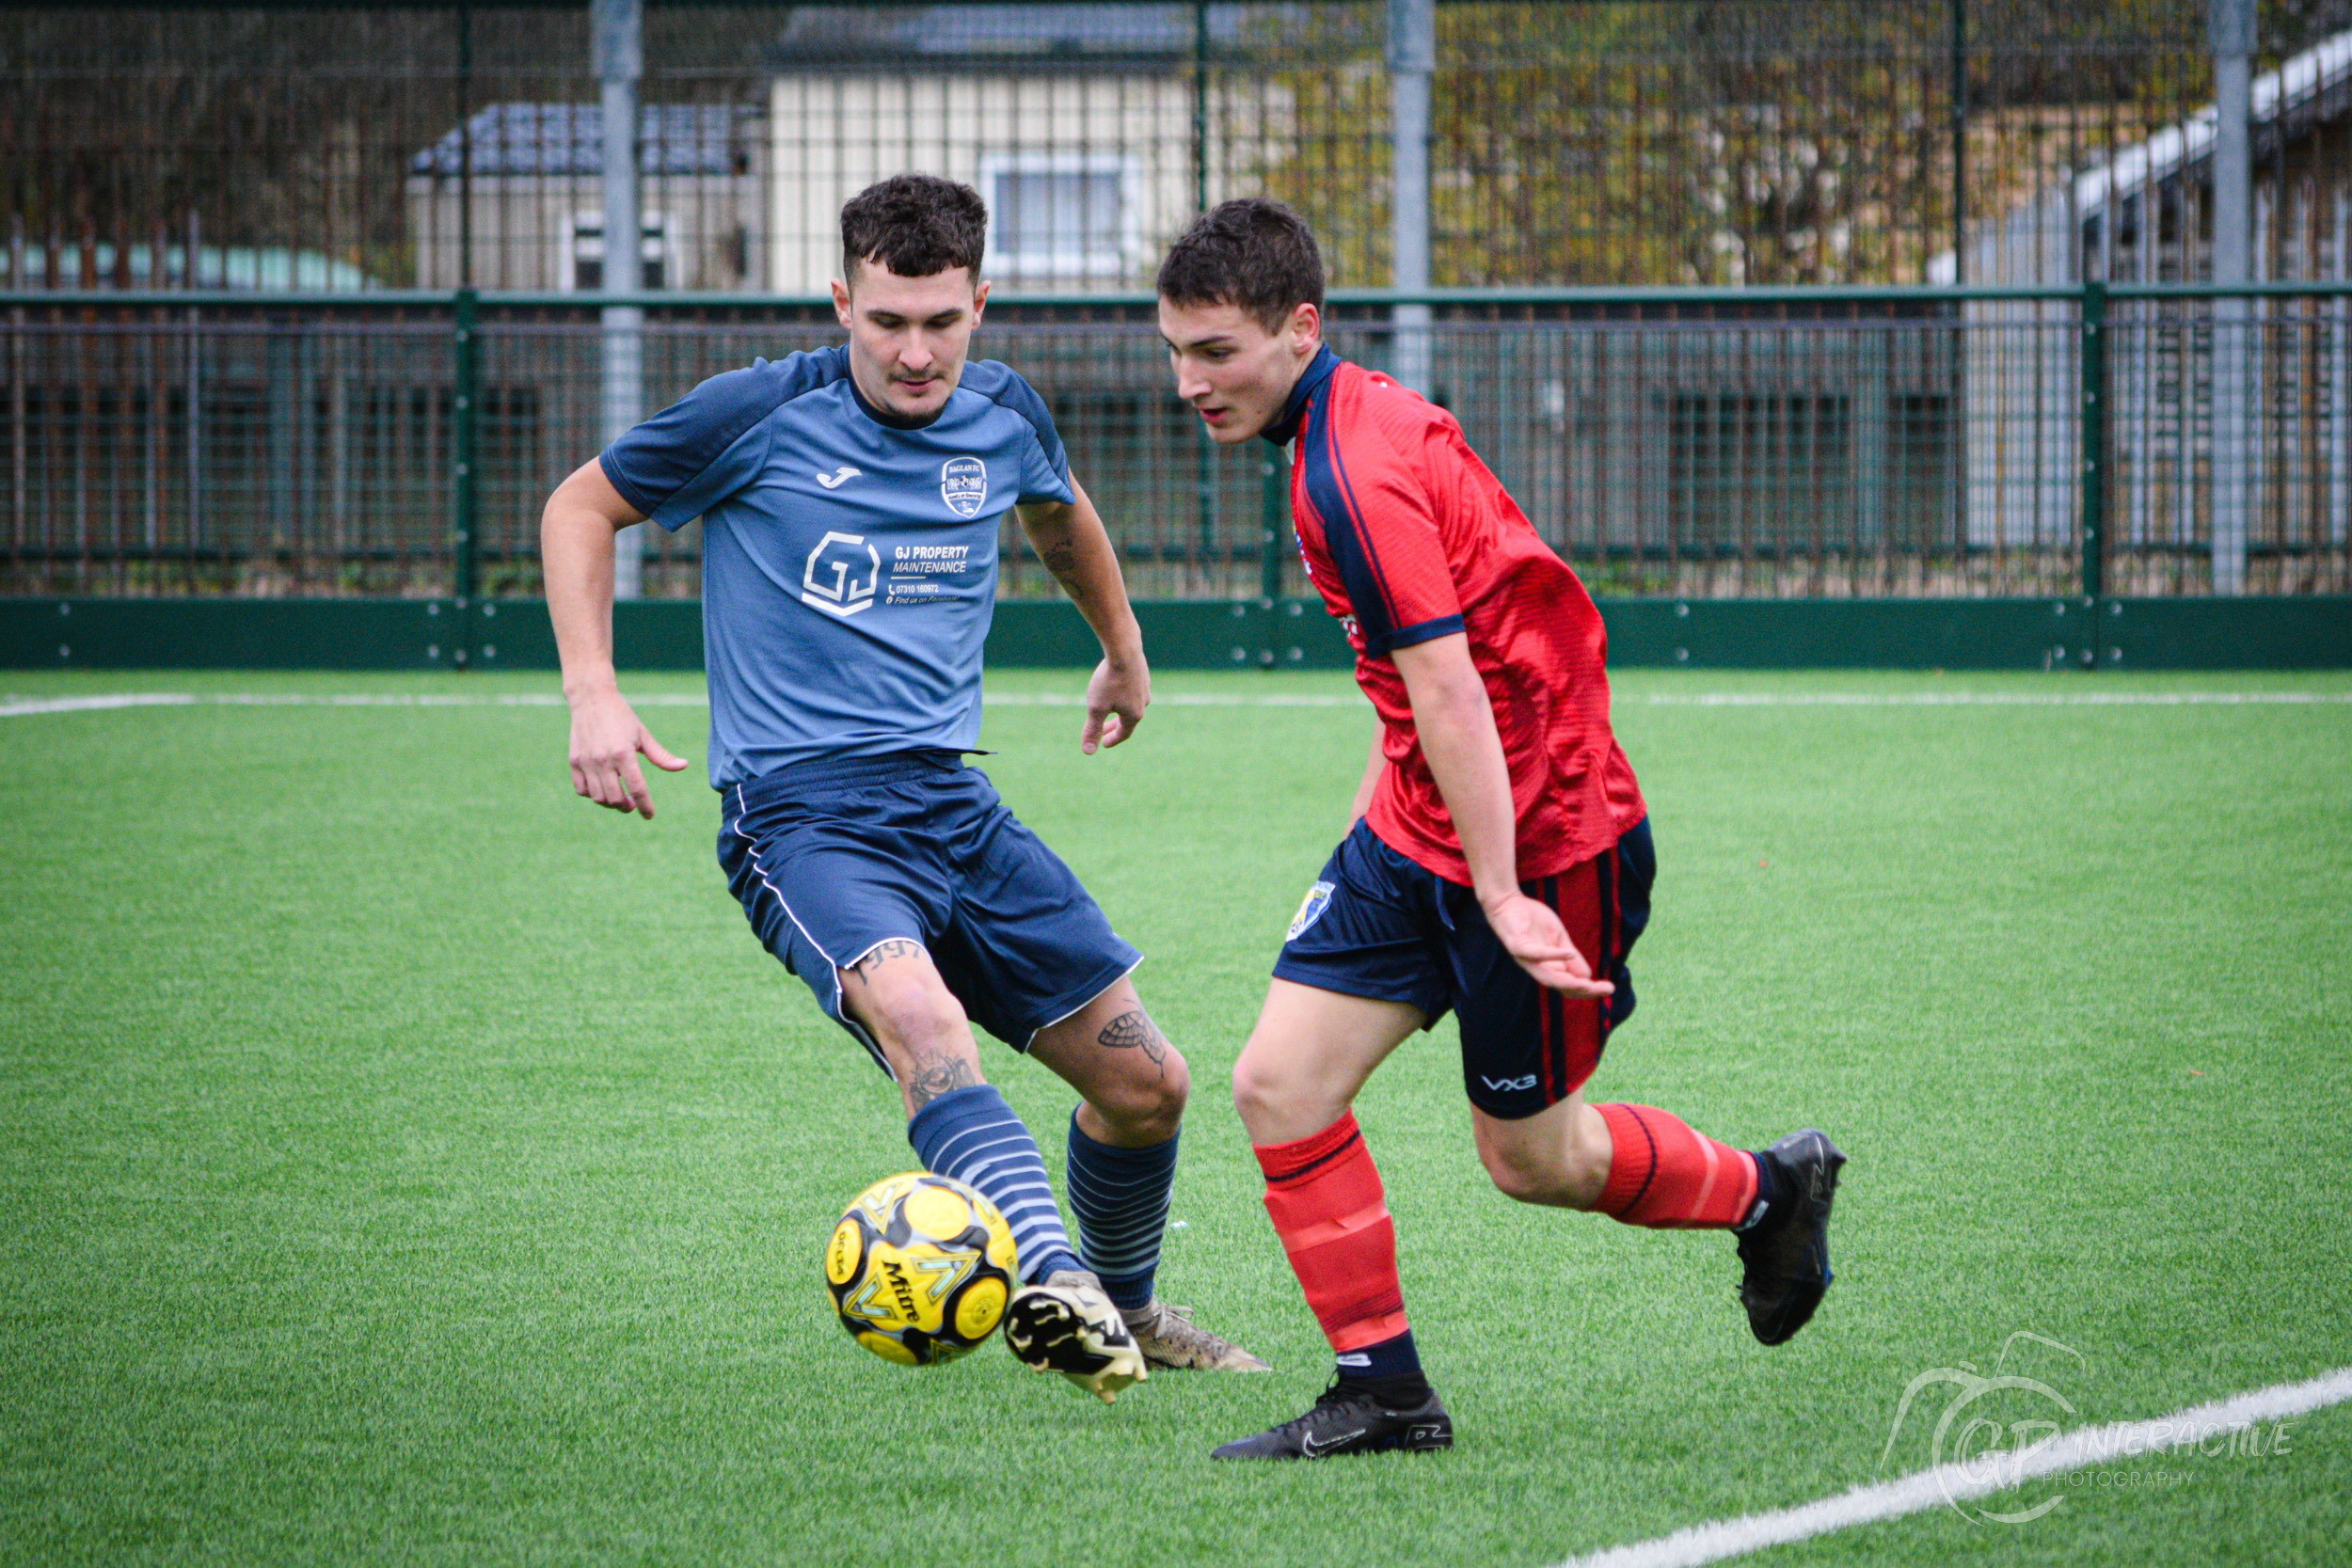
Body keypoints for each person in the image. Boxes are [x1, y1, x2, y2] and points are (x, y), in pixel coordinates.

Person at [540, 173, 1266, 1403]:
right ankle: (1053, 1283)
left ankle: (1129, 1309)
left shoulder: (1002, 413)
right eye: (886, 323)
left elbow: (1060, 517)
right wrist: (592, 691)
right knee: (926, 1031)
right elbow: (581, 505)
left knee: (1149, 1084)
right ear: (843, 303)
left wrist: (1124, 648)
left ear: (980, 304)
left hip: (952, 810)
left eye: (940, 322)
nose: (915, 354)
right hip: (803, 820)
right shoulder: (757, 412)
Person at [1154, 198, 1844, 1458]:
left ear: (1299, 329)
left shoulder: (1350, 472)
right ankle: (1383, 1395)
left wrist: (1502, 891)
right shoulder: (1338, 426)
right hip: (1420, 826)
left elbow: (1452, 686)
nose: (1190, 382)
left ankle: (1770, 1190)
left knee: (1532, 1160)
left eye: (1216, 353)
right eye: (1176, 352)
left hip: (1547, 842)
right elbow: (1425, 673)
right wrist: (1383, 825)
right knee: (1278, 1086)